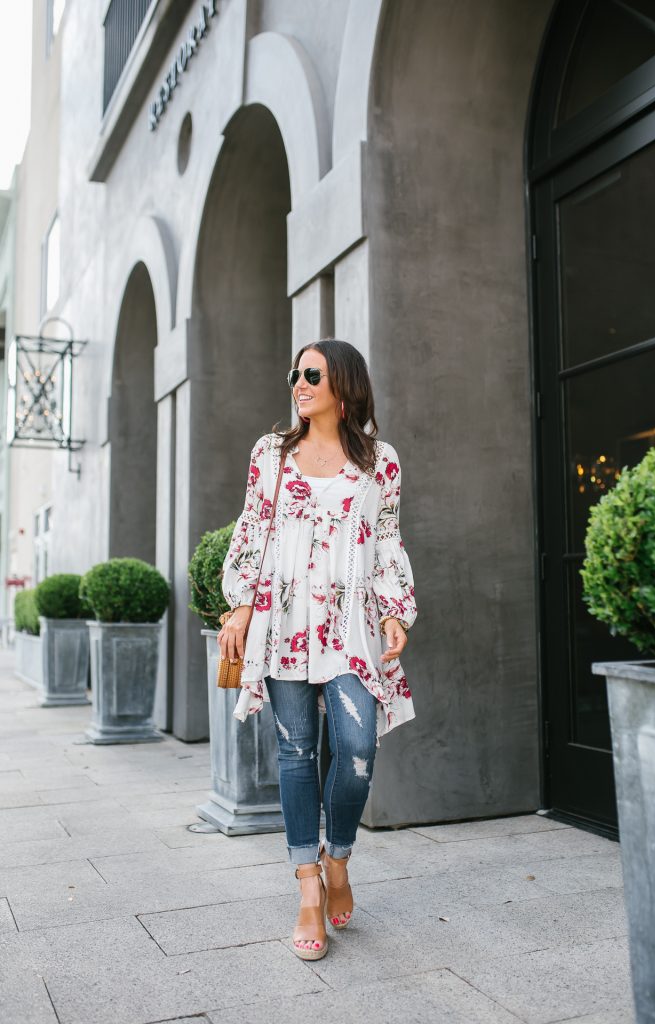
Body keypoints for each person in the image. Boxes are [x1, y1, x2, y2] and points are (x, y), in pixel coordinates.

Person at [218, 338, 417, 961]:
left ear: (344, 384)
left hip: (350, 625)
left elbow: (385, 538)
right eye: (295, 373)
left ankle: (339, 859)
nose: (298, 384)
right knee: (297, 751)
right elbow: (253, 528)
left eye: (312, 374)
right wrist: (243, 607)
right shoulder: (271, 454)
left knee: (357, 750)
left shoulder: (380, 461)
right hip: (285, 622)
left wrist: (394, 608)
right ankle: (308, 884)